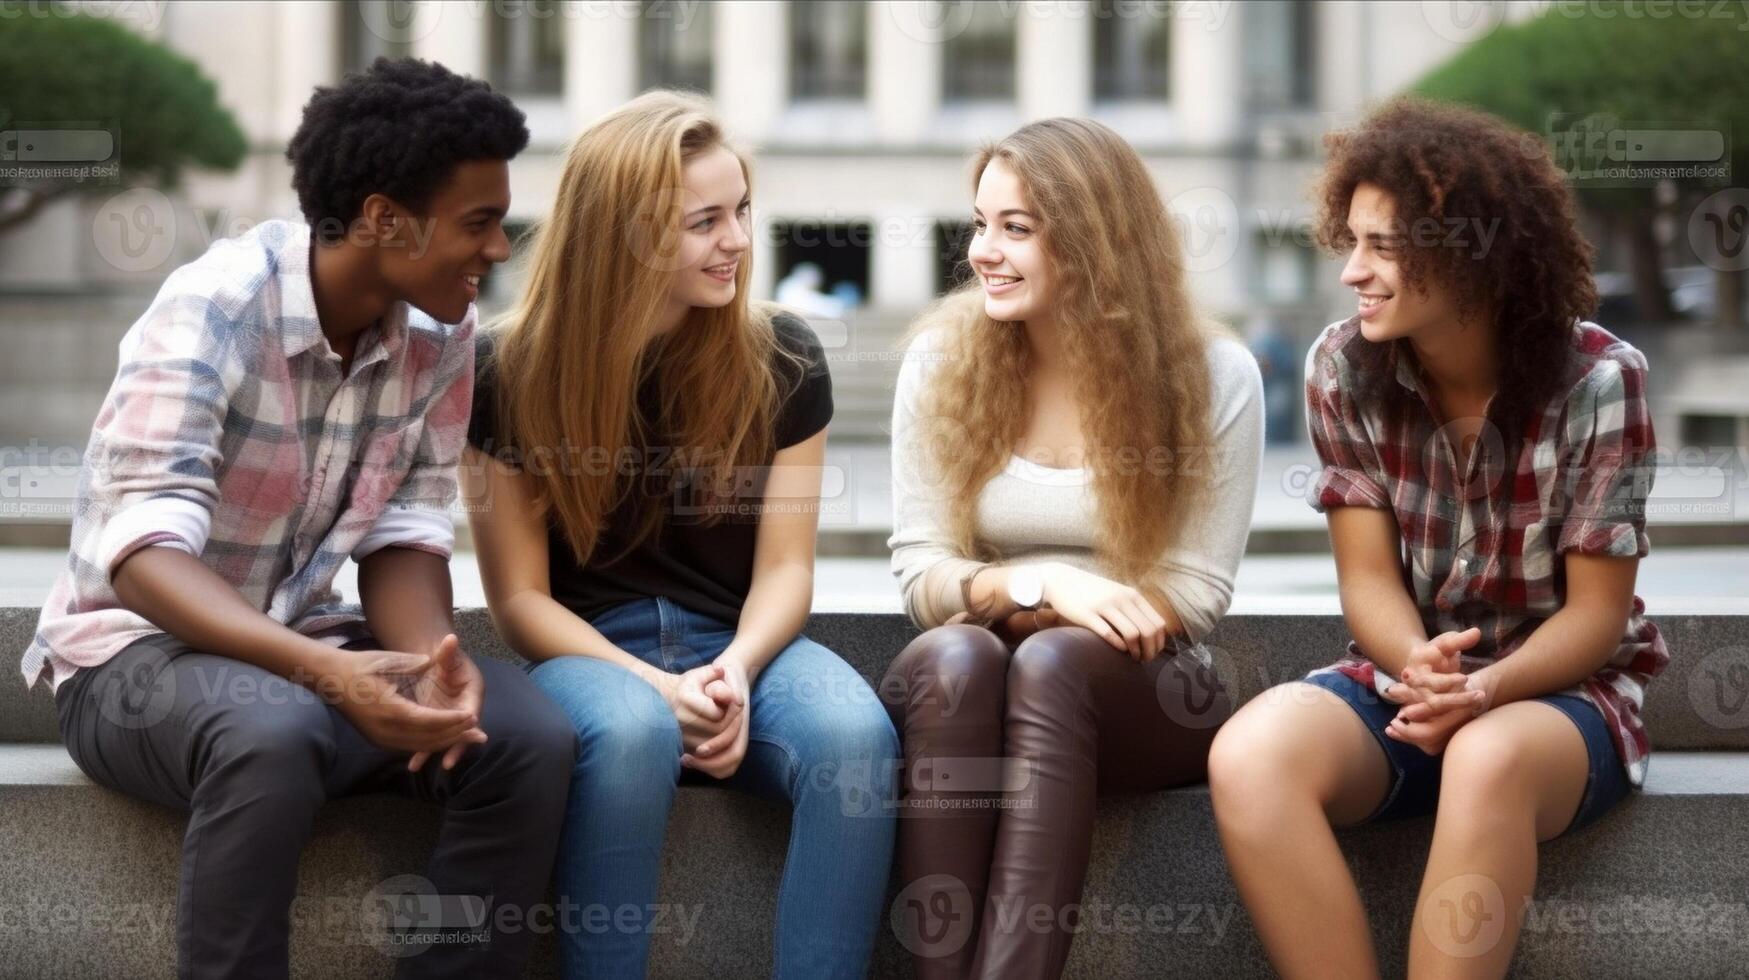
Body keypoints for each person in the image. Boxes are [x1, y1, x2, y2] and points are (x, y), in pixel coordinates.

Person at [29, 58, 577, 978]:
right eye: (479, 223)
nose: (499, 250)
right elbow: (142, 554)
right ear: (380, 218)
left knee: (524, 736)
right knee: (272, 728)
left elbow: (405, 531)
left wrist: (432, 667)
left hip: (303, 645)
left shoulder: (443, 338)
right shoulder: (212, 310)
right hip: (130, 659)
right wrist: (327, 673)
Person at [1207, 97, 1668, 979]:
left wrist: (1485, 691)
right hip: (1407, 681)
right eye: (1350, 240)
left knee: (1488, 756)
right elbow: (1368, 581)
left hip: (1561, 698)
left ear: (1468, 254)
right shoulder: (1340, 368)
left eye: (1382, 246)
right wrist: (1417, 665)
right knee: (1249, 752)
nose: (1352, 271)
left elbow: (1597, 617)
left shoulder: (1601, 381)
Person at [461, 90, 898, 979]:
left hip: (747, 648)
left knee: (857, 741)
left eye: (741, 210)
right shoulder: (504, 370)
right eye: (705, 221)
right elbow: (518, 600)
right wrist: (655, 688)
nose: (737, 240)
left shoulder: (782, 356)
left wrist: (733, 671)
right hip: (593, 656)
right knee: (630, 732)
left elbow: (785, 571)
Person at [882, 117, 1264, 979]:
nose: (983, 250)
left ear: (1095, 241)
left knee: (1051, 662)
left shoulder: (1212, 375)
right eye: (980, 223)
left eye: (1016, 229)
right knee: (954, 658)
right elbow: (920, 571)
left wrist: (1056, 622)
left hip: (1142, 688)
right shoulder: (943, 361)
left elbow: (1194, 593)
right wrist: (1039, 584)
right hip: (977, 679)